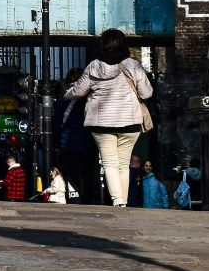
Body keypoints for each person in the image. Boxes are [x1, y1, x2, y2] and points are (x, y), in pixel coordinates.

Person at [64, 28, 153, 208]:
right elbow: (147, 93)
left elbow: (79, 91)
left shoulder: (94, 66)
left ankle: (118, 201)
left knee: (109, 163)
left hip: (101, 124)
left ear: (103, 45)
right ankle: (124, 202)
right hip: (130, 122)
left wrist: (67, 94)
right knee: (123, 163)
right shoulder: (133, 65)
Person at [56, 68, 98, 204]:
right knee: (89, 175)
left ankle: (75, 199)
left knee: (72, 176)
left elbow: (58, 123)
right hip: (89, 144)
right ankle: (90, 200)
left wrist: (57, 144)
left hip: (70, 145)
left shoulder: (67, 100)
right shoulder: (90, 100)